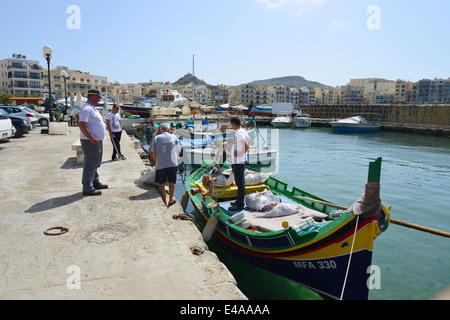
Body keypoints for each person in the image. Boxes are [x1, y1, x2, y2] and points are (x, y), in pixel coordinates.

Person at [78, 89, 108, 196]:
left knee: (95, 163)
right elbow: (81, 125)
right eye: (99, 97)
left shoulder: (92, 108)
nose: (99, 99)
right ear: (94, 96)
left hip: (96, 141)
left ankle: (95, 182)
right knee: (90, 164)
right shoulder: (86, 109)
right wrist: (91, 138)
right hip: (91, 141)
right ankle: (87, 188)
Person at [149, 122, 181, 207]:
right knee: (172, 182)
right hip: (173, 163)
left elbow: (152, 153)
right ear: (169, 129)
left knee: (162, 184)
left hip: (160, 164)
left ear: (160, 130)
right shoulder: (174, 137)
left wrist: (154, 162)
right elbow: (179, 151)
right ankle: (170, 199)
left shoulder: (156, 138)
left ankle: (164, 201)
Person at [228, 117, 250, 211]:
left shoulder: (239, 132)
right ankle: (238, 200)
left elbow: (246, 145)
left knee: (240, 183)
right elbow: (249, 141)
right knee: (239, 182)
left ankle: (240, 204)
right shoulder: (243, 131)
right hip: (239, 161)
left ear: (233, 124)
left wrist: (240, 154)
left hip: (239, 161)